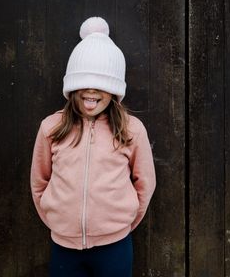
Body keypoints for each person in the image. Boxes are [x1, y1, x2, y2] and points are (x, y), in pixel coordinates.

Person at [30, 16, 156, 277]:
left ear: (113, 90)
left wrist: (121, 224)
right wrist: (58, 222)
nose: (91, 91)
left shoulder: (132, 130)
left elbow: (145, 184)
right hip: (64, 246)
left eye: (101, 84)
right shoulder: (51, 128)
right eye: (83, 83)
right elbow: (39, 182)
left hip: (115, 246)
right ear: (72, 87)